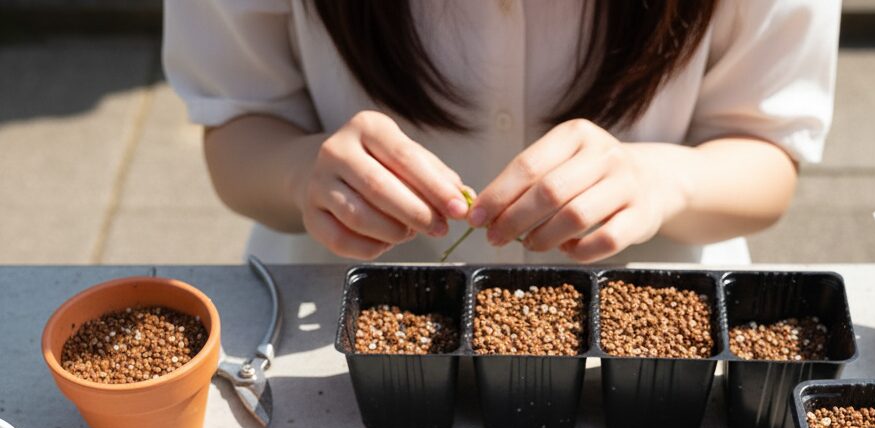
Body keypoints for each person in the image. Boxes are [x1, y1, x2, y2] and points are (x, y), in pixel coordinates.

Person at [164, 0, 840, 265]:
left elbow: (767, 152)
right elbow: (236, 127)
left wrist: (666, 179)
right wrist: (298, 172)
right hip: (337, 317)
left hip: (650, 334)